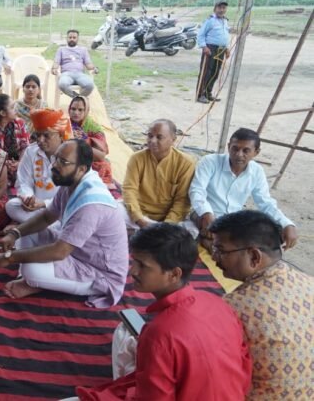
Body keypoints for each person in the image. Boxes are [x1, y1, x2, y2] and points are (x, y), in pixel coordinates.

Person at [74, 223, 252, 400]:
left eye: (142, 265)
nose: (133, 270)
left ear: (174, 274)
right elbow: (244, 365)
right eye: (134, 261)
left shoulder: (159, 334)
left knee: (123, 335)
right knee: (127, 334)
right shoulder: (217, 303)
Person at [0, 139, 128, 308]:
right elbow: (46, 218)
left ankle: (33, 282)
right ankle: (36, 280)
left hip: (97, 271)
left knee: (31, 270)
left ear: (82, 169)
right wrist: (14, 233)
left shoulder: (91, 203)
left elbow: (60, 251)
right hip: (75, 251)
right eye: (56, 159)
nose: (54, 165)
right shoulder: (71, 183)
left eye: (63, 162)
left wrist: (9, 257)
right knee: (26, 232)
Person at [210, 211, 313, 400]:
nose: (214, 257)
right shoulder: (309, 283)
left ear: (254, 256)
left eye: (221, 250)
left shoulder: (233, 306)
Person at [188, 127, 298, 251]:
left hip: (233, 220)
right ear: (229, 146)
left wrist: (287, 223)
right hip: (205, 215)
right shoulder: (210, 162)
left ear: (256, 152)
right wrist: (207, 213)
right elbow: (197, 191)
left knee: (272, 233)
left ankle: (214, 243)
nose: (239, 154)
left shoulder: (257, 171)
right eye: (235, 148)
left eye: (246, 150)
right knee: (219, 234)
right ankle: (214, 244)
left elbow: (265, 203)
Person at [122, 119, 195, 231]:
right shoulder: (137, 158)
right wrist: (140, 220)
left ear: (173, 140)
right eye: (150, 136)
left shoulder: (185, 163)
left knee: (193, 230)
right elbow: (129, 190)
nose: (152, 140)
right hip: (139, 216)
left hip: (170, 220)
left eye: (159, 137)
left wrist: (166, 226)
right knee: (114, 213)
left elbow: (182, 200)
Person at [5, 108, 70, 223]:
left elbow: (72, 194)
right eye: (38, 135)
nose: (40, 140)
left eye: (46, 135)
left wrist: (44, 204)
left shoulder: (71, 154)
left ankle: (36, 226)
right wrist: (28, 199)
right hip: (35, 208)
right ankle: (46, 226)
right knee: (11, 206)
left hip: (61, 207)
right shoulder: (31, 151)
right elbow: (23, 181)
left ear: (60, 134)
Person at [68, 95, 120, 199]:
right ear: (69, 109)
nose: (76, 113)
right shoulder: (65, 123)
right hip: (70, 157)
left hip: (91, 159)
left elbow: (101, 155)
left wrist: (83, 142)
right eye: (73, 109)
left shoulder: (94, 128)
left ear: (86, 111)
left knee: (103, 165)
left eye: (80, 110)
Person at [195, 0, 230, 103]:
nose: (221, 10)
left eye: (223, 8)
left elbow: (225, 36)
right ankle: (200, 95)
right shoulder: (210, 21)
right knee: (206, 72)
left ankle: (208, 93)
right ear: (215, 9)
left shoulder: (225, 21)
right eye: (219, 8)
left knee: (215, 72)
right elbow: (201, 35)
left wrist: (227, 48)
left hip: (221, 49)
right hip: (210, 49)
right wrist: (204, 47)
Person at [51, 29, 98, 98]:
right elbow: (56, 62)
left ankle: (78, 99)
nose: (72, 39)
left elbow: (88, 64)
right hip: (66, 74)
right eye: (70, 37)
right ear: (67, 38)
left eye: (74, 37)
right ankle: (76, 98)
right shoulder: (61, 49)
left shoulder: (83, 50)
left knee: (90, 85)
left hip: (80, 74)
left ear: (77, 39)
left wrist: (94, 68)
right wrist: (54, 68)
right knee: (62, 84)